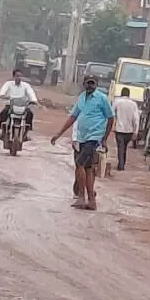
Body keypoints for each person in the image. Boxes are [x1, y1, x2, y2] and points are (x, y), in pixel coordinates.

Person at [50, 74, 114, 210]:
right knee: (88, 168)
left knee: (80, 163)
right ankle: (91, 201)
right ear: (84, 84)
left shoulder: (102, 98)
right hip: (81, 137)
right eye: (88, 83)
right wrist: (59, 134)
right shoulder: (81, 98)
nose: (90, 86)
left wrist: (104, 139)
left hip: (94, 137)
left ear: (96, 84)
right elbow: (73, 117)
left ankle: (81, 196)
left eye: (92, 83)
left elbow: (110, 118)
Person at [0, 68, 39, 134]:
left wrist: (33, 100)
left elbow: (31, 93)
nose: (19, 78)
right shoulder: (8, 84)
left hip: (23, 106)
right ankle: (3, 131)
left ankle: (26, 132)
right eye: (17, 76)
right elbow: (2, 92)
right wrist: (3, 96)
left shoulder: (26, 85)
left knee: (30, 114)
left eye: (20, 76)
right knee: (3, 113)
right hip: (10, 105)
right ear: (13, 76)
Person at [112, 86, 141, 170]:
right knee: (124, 148)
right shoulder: (133, 104)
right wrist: (136, 131)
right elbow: (136, 119)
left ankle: (121, 165)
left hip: (119, 130)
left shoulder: (117, 101)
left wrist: (111, 126)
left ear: (121, 93)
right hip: (129, 131)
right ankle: (122, 164)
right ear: (129, 94)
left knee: (120, 148)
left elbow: (111, 114)